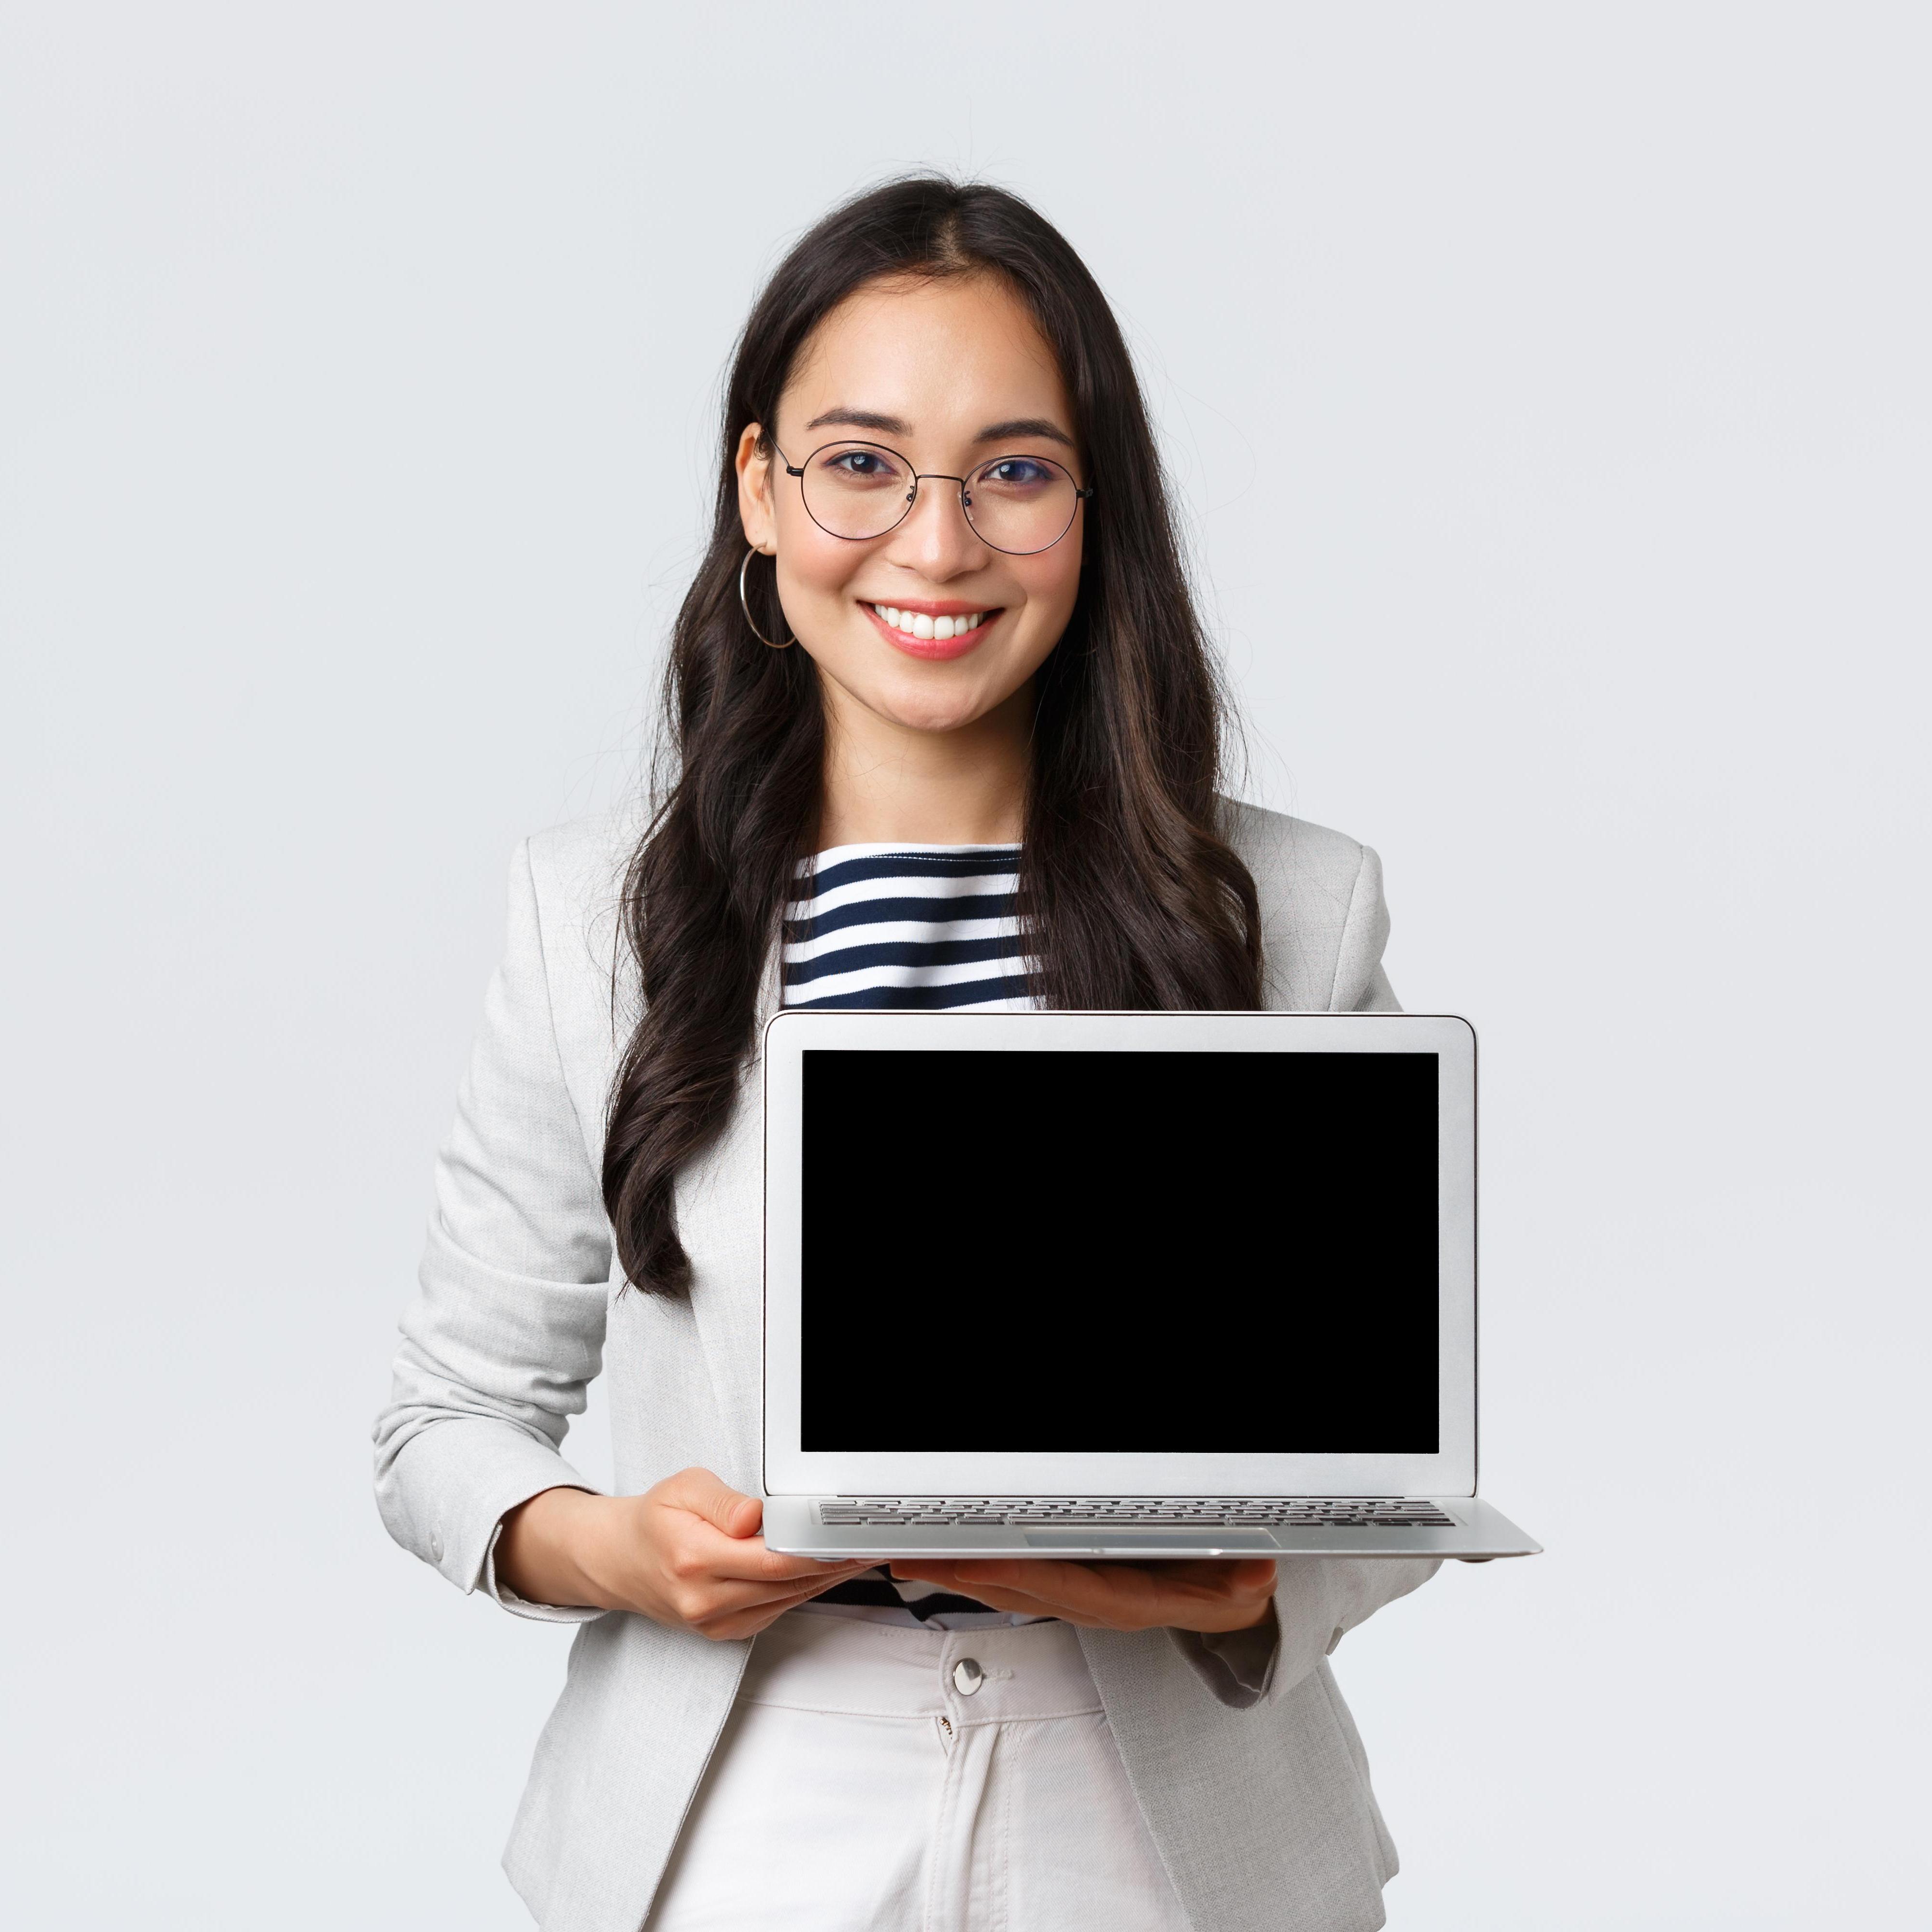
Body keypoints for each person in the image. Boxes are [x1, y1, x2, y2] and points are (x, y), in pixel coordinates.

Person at [373, 175, 1438, 1932]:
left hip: (1166, 1824)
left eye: (1014, 473)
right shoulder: (592, 925)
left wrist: (1228, 1593)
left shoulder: (1294, 911)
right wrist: (621, 1549)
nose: (935, 547)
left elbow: (1374, 1472)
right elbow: (447, 1425)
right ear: (760, 496)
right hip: (739, 1808)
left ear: (1095, 514)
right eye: (861, 463)